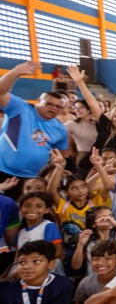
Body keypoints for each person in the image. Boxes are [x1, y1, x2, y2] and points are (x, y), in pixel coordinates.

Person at [0, 61, 69, 201]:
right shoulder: (19, 108)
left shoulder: (60, 128)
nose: (53, 108)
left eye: (58, 107)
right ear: (38, 100)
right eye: (49, 104)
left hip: (34, 180)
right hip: (3, 172)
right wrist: (16, 72)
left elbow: (61, 154)